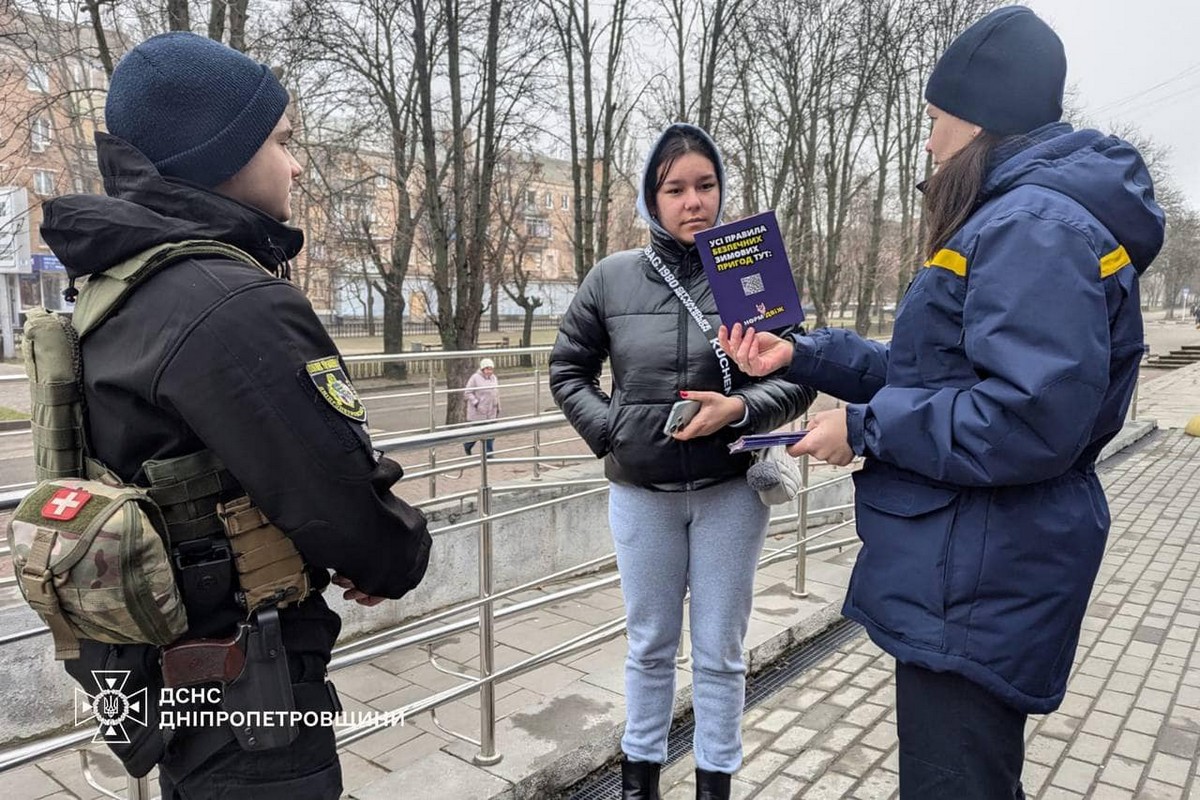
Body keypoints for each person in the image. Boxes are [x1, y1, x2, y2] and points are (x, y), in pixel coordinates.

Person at [721, 7, 1164, 798]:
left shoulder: (1032, 226)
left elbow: (1025, 420)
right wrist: (806, 353)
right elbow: (940, 373)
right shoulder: (1022, 217)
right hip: (976, 564)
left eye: (934, 122)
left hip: (979, 574)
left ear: (980, 120)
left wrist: (860, 428)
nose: (926, 142)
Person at [39, 33, 431, 799]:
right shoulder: (231, 303)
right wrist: (394, 553)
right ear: (219, 151)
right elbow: (339, 498)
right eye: (282, 141)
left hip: (176, 691)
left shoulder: (118, 286)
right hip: (256, 708)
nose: (295, 163)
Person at [550, 123, 813, 800]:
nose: (693, 201)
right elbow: (567, 368)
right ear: (652, 197)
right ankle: (639, 783)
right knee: (650, 645)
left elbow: (799, 371)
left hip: (730, 490)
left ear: (721, 191)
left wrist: (741, 409)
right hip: (642, 494)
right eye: (675, 189)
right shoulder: (612, 277)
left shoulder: (750, 272)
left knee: (722, 654)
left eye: (705, 185)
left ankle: (713, 784)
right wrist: (613, 431)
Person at [464, 357, 500, 455]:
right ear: (482, 369)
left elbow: (496, 393)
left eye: (491, 369)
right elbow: (468, 392)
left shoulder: (494, 378)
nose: (489, 371)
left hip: (491, 410)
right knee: (478, 433)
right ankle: (468, 444)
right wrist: (476, 403)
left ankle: (488, 453)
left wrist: (497, 406)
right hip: (478, 411)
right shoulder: (475, 378)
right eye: (487, 369)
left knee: (490, 433)